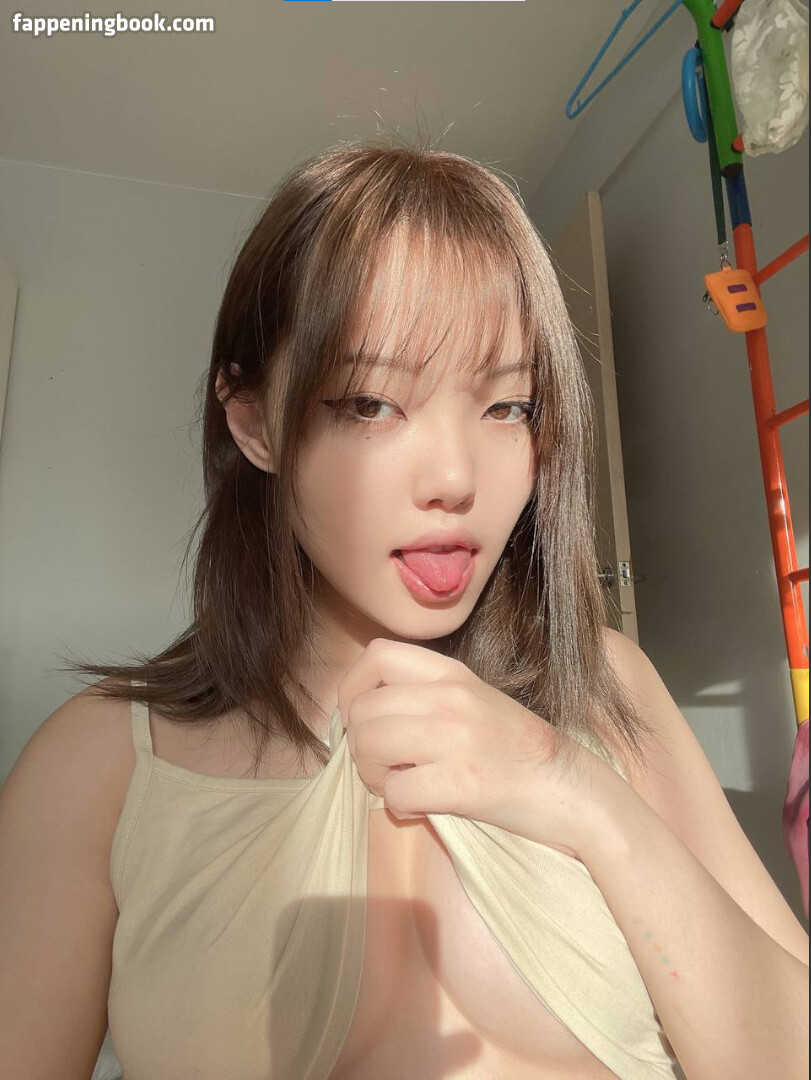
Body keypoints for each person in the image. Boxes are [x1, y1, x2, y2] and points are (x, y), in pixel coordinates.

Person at [2, 138, 807, 1080]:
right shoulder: (97, 765)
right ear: (253, 420)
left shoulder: (604, 687)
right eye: (370, 403)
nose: (456, 478)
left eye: (506, 408)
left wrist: (576, 794)